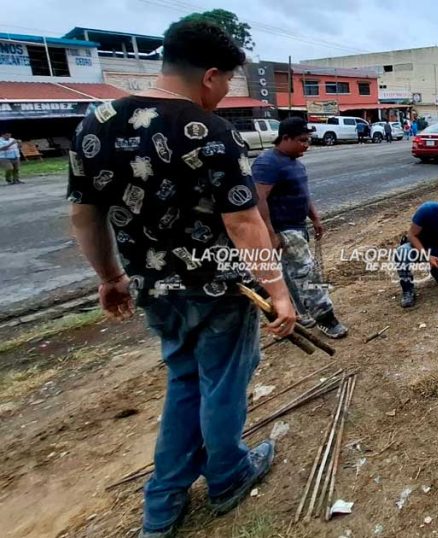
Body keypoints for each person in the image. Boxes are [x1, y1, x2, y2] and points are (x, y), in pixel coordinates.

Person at [66, 19, 296, 538]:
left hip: (152, 287)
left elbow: (85, 213)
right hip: (219, 289)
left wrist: (109, 277)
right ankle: (228, 475)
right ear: (209, 76)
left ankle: (163, 505)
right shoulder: (209, 130)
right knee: (221, 384)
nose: (225, 92)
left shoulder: (95, 122)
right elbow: (242, 221)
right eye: (228, 82)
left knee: (184, 380)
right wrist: (278, 292)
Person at [252, 117, 348, 338]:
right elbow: (259, 199)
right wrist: (270, 233)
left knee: (291, 274)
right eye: (302, 140)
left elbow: (303, 194)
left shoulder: (294, 161)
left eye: (308, 140)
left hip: (297, 226)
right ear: (285, 138)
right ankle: (326, 318)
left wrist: (315, 218)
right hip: (284, 230)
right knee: (306, 274)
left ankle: (297, 314)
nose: (307, 145)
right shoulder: (268, 162)